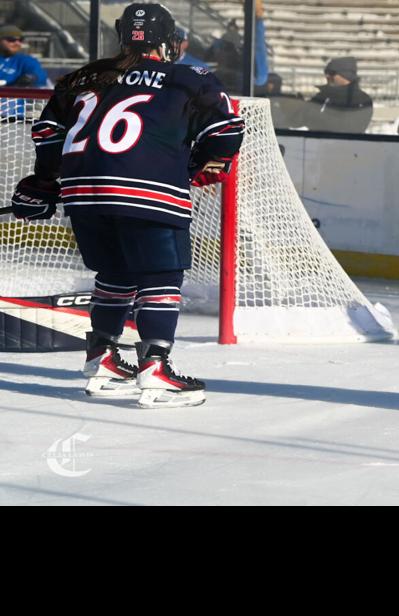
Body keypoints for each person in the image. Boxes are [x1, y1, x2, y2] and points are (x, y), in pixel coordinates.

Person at [10, 3, 245, 408]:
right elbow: (226, 129)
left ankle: (102, 359)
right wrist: (197, 167)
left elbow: (48, 131)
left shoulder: (84, 76)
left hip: (83, 193)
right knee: (161, 275)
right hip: (150, 188)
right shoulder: (189, 77)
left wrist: (45, 182)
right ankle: (155, 367)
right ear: (170, 39)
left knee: (114, 272)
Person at [309, 56, 372, 132]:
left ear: (345, 75)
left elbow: (351, 128)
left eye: (332, 73)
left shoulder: (362, 99)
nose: (327, 76)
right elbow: (304, 119)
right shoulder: (323, 96)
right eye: (326, 73)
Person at [1, 24, 52, 119]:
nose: (17, 43)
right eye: (11, 40)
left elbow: (40, 76)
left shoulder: (25, 60)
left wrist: (31, 77)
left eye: (20, 40)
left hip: (12, 118)